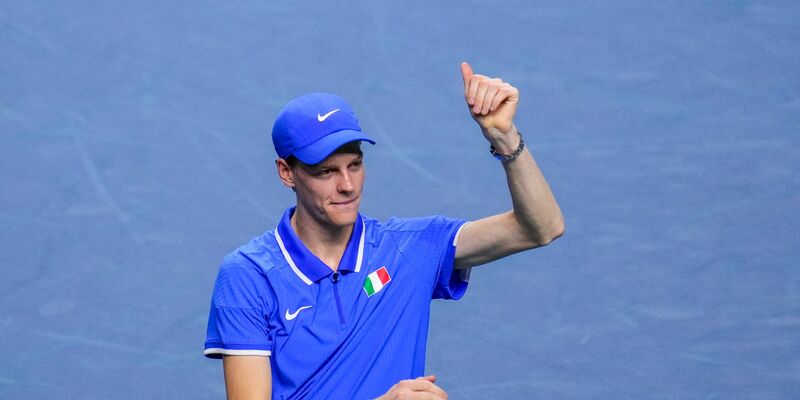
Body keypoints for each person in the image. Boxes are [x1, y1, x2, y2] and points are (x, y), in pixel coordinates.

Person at [204, 62, 564, 399]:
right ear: (287, 173)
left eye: (355, 165)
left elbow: (540, 228)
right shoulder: (249, 276)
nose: (347, 185)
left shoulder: (409, 249)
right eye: (326, 172)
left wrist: (504, 136)